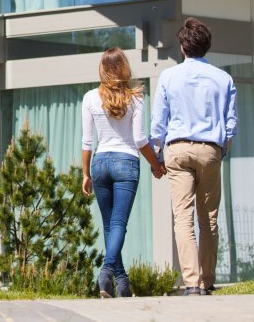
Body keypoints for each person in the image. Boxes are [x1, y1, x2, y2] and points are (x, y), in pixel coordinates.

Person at [150, 17, 237, 296]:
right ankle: (207, 281)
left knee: (183, 218)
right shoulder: (224, 79)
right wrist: (222, 148)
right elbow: (231, 123)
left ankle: (191, 283)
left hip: (177, 149)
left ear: (183, 47)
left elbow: (157, 122)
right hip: (210, 149)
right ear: (206, 47)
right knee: (208, 218)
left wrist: (157, 154)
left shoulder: (169, 76)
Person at [81, 47, 164, 298]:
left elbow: (87, 141)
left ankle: (121, 282)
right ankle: (107, 271)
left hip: (100, 164)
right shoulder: (135, 98)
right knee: (118, 224)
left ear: (102, 70)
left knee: (109, 225)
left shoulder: (89, 98)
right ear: (124, 68)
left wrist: (85, 174)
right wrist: (155, 163)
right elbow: (139, 138)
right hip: (126, 162)